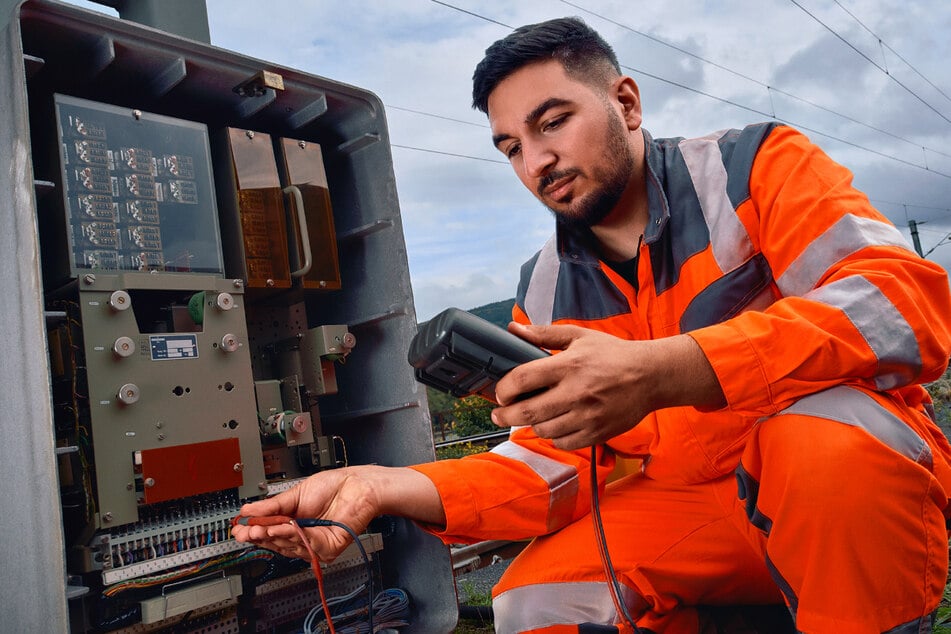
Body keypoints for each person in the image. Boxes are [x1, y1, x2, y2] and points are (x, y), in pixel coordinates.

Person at [232, 16, 951, 634]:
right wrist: (383, 487)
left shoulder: (754, 168)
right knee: (536, 595)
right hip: (698, 511)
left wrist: (660, 371)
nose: (537, 160)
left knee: (821, 443)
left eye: (552, 122)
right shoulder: (542, 288)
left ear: (626, 102)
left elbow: (902, 302)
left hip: (838, 496)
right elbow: (549, 466)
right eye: (511, 146)